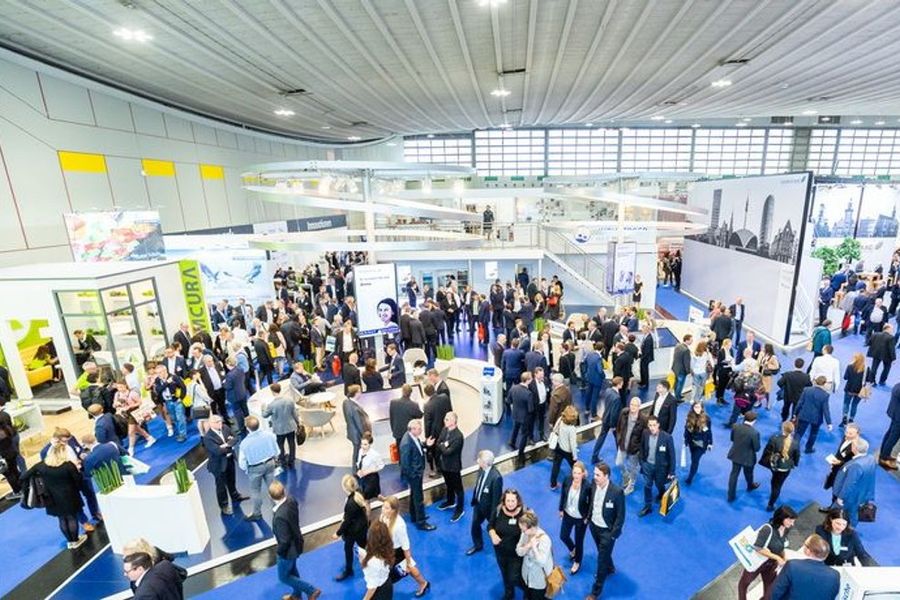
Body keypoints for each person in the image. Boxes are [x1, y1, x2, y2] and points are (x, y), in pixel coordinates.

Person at [21, 442, 87, 548]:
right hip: (70, 496)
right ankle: (76, 540)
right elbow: (78, 480)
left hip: (51, 497)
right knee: (71, 517)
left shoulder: (41, 466)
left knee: (62, 519)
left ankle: (70, 541)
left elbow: (23, 477)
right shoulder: (68, 466)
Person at [269, 481, 321, 600]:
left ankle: (311, 590)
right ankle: (297, 595)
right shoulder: (292, 501)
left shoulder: (279, 517)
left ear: (271, 497)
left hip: (287, 551)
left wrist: (279, 552)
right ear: (284, 491)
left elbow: (284, 541)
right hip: (296, 543)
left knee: (284, 577)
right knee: (292, 570)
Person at [736, 506, 798, 600]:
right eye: (790, 520)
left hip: (771, 564)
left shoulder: (786, 529)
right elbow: (758, 547)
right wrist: (777, 557)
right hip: (757, 562)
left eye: (793, 521)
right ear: (781, 517)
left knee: (770, 590)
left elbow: (781, 545)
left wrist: (783, 557)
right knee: (744, 583)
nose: (792, 524)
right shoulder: (767, 529)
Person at [584, 462, 625, 600]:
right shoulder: (594, 484)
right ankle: (610, 567)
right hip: (594, 526)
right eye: (594, 474)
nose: (594, 477)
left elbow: (620, 515)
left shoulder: (617, 492)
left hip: (607, 531)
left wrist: (613, 535)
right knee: (602, 552)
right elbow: (591, 502)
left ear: (606, 476)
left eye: (598, 475)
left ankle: (595, 592)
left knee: (601, 560)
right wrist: (588, 518)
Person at [380, 495, 431, 597]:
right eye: (383, 506)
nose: (383, 510)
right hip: (388, 549)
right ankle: (423, 583)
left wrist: (408, 562)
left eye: (386, 508)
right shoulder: (383, 517)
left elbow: (405, 546)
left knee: (410, 567)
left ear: (393, 510)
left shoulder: (399, 525)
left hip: (398, 552)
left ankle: (423, 583)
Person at [769, 534, 840, 600]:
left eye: (805, 545)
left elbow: (775, 593)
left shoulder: (792, 566)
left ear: (808, 551)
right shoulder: (835, 575)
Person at [202, 414, 247, 516]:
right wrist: (229, 445)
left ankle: (235, 496)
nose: (220, 424)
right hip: (218, 465)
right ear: (211, 424)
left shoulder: (225, 428)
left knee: (232, 480)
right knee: (221, 486)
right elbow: (217, 451)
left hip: (229, 460)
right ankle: (224, 506)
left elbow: (236, 437)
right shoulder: (208, 438)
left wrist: (226, 445)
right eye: (217, 422)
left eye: (220, 421)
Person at [237, 416, 278, 521]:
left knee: (255, 491)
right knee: (272, 487)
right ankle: (277, 508)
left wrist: (247, 469)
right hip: (270, 464)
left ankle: (257, 513)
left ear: (247, 428)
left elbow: (242, 463)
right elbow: (277, 451)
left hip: (255, 468)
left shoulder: (244, 443)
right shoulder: (269, 435)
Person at [427, 411, 465, 522]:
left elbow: (448, 452)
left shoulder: (458, 436)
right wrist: (444, 445)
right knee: (448, 485)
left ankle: (460, 510)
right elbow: (438, 442)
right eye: (445, 419)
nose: (444, 421)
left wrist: (442, 445)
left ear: (454, 421)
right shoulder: (444, 430)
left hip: (453, 467)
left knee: (458, 489)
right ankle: (450, 501)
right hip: (444, 465)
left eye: (447, 419)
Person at [399, 419, 435, 531]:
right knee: (419, 498)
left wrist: (426, 444)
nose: (421, 430)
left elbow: (418, 447)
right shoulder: (406, 443)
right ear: (413, 429)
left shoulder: (412, 437)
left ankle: (414, 515)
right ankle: (421, 522)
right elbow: (405, 464)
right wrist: (415, 475)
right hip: (414, 475)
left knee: (414, 495)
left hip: (416, 473)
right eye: (419, 429)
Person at [489, 489, 526, 600]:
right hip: (500, 552)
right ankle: (509, 594)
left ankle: (530, 592)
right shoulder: (498, 510)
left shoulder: (524, 513)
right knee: (505, 574)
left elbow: (532, 531)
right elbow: (490, 525)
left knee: (514, 577)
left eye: (513, 501)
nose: (510, 504)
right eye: (508, 501)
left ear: (518, 501)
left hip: (516, 555)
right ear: (504, 501)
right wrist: (493, 534)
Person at [832, 437, 876, 526]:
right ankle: (850, 529)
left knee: (836, 513)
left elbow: (849, 484)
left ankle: (842, 529)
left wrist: (841, 498)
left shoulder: (856, 465)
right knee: (853, 514)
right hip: (861, 494)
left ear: (855, 448)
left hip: (850, 497)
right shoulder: (870, 458)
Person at [333, 474, 370, 582]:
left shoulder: (350, 503)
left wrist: (338, 533)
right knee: (364, 545)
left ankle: (349, 570)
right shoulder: (358, 494)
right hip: (362, 527)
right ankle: (373, 561)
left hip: (353, 531)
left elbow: (347, 521)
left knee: (348, 548)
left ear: (345, 487)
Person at [637, 415, 676, 517]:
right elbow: (642, 447)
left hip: (661, 468)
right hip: (647, 466)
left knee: (659, 484)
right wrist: (642, 461)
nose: (652, 428)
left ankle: (661, 493)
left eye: (654, 425)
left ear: (658, 425)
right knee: (647, 485)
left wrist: (671, 471)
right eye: (650, 425)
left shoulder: (667, 437)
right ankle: (648, 506)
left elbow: (672, 456)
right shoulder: (645, 433)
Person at [467, 450, 503, 556]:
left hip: (489, 509)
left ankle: (501, 545)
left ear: (485, 463)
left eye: (479, 459)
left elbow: (496, 500)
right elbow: (479, 485)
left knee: (496, 528)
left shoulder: (496, 478)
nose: (477, 460)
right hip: (478, 505)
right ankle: (478, 545)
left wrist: (493, 516)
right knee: (475, 525)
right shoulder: (481, 469)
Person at [557, 461, 590, 575]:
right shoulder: (567, 480)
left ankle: (577, 561)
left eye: (578, 473)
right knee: (563, 536)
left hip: (580, 518)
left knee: (579, 541)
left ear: (583, 474)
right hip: (567, 514)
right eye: (574, 472)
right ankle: (573, 550)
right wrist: (561, 509)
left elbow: (591, 503)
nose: (576, 475)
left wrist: (587, 517)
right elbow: (563, 495)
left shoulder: (587, 486)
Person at [761, 421, 801, 511]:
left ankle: (773, 489)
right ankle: (770, 505)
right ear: (792, 431)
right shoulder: (795, 443)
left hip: (774, 466)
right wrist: (795, 463)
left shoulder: (774, 439)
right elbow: (797, 456)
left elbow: (767, 450)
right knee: (778, 486)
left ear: (783, 428)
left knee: (774, 481)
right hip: (786, 468)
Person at [515, 510, 553, 600]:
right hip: (526, 574)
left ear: (532, 528)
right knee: (527, 595)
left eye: (523, 530)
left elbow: (542, 562)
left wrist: (534, 548)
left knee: (537, 597)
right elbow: (518, 551)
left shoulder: (545, 540)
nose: (522, 531)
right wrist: (528, 546)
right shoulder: (525, 534)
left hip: (539, 578)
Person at [261, 383, 299, 468]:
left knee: (280, 445)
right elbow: (295, 414)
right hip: (290, 426)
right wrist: (298, 423)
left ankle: (282, 460)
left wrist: (263, 408)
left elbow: (264, 415)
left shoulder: (271, 405)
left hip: (279, 429)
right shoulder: (290, 400)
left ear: (272, 391)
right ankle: (292, 459)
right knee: (292, 443)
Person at [727, 411, 761, 503]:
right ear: (754, 421)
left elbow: (732, 439)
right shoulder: (754, 433)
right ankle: (750, 486)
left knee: (734, 474)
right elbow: (757, 448)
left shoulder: (735, 426)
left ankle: (730, 496)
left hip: (736, 454)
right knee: (749, 473)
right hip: (748, 458)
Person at [615, 397, 646, 494]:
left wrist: (639, 448)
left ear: (639, 407)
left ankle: (631, 485)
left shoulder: (643, 420)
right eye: (632, 404)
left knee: (633, 468)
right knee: (618, 463)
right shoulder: (624, 413)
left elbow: (644, 436)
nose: (633, 407)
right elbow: (618, 426)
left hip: (634, 449)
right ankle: (626, 475)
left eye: (635, 405)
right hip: (622, 445)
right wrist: (619, 438)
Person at [795, 376, 833, 453]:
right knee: (813, 434)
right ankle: (808, 448)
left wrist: (795, 413)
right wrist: (829, 423)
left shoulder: (806, 390)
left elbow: (800, 403)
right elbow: (826, 410)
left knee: (799, 433)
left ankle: (794, 448)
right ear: (824, 384)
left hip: (804, 415)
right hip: (816, 418)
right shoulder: (825, 395)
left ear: (815, 381)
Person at [359, 521, 394, 600]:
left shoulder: (373, 562)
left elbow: (372, 587)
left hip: (379, 592)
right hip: (386, 583)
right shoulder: (387, 548)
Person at [153, 364, 188, 442]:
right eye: (157, 373)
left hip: (176, 400)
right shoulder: (158, 380)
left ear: (165, 371)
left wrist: (181, 398)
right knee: (174, 418)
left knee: (180, 417)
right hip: (167, 401)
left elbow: (183, 387)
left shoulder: (174, 377)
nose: (158, 375)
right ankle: (180, 430)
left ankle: (182, 434)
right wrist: (166, 383)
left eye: (160, 372)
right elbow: (158, 390)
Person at [508, 372, 536, 463]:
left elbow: (508, 400)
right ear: (527, 380)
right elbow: (531, 409)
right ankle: (521, 454)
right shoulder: (528, 393)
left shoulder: (513, 388)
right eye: (531, 378)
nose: (532, 380)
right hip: (525, 417)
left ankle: (512, 442)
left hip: (515, 414)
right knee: (524, 435)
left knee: (515, 428)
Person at [683, 402, 713, 485]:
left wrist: (710, 443)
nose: (697, 409)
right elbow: (686, 430)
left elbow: (709, 431)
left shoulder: (707, 419)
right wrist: (685, 440)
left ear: (702, 408)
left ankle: (690, 477)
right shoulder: (689, 417)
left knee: (695, 460)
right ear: (693, 408)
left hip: (701, 443)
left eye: (699, 407)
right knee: (693, 458)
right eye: (695, 407)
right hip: (691, 442)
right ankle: (694, 470)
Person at [342, 384, 371, 468]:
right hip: (357, 435)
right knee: (357, 452)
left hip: (351, 432)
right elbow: (359, 423)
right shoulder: (354, 408)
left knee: (357, 452)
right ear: (356, 393)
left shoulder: (346, 402)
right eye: (360, 391)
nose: (361, 393)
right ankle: (355, 469)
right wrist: (365, 436)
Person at [776, 358, 812, 423]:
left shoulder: (787, 374)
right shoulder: (806, 377)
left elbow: (779, 383)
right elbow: (809, 386)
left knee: (785, 407)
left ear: (794, 364)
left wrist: (785, 387)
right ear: (803, 365)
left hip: (787, 395)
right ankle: (793, 420)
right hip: (798, 397)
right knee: (795, 410)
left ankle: (784, 419)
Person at [389, 384, 423, 449]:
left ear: (402, 391)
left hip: (398, 433)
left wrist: (394, 430)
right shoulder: (414, 404)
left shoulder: (393, 402)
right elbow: (420, 415)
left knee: (400, 452)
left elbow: (391, 418)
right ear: (411, 393)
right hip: (410, 434)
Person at [356, 431, 385, 500]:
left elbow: (381, 465)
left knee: (368, 497)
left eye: (365, 444)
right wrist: (359, 470)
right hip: (363, 477)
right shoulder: (360, 451)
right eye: (361, 444)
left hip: (371, 478)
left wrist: (369, 471)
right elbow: (359, 462)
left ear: (370, 444)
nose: (362, 446)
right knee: (365, 496)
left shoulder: (374, 454)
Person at [879, 381, 900, 471]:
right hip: (898, 417)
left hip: (895, 414)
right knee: (893, 438)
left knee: (889, 434)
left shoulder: (897, 385)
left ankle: (884, 454)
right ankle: (884, 458)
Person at [842, 352, 867, 426]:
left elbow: (845, 377)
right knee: (854, 405)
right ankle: (851, 419)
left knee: (846, 403)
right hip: (859, 391)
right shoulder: (866, 368)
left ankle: (844, 417)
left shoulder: (850, 366)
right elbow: (869, 379)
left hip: (849, 389)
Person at [583, 342, 606, 419]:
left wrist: (586, 373)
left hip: (589, 377)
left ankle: (587, 409)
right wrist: (603, 376)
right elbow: (600, 370)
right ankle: (594, 414)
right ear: (602, 349)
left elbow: (585, 363)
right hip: (597, 380)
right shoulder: (598, 358)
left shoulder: (589, 354)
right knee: (594, 397)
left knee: (588, 393)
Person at [689, 340, 713, 404]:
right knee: (701, 386)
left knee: (694, 386)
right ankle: (698, 399)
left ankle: (692, 399)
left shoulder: (694, 354)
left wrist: (692, 370)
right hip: (703, 372)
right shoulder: (706, 354)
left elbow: (691, 364)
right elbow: (711, 362)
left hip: (695, 372)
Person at [671, 334, 692, 400]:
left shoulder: (677, 346)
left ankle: (677, 395)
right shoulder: (686, 350)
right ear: (687, 340)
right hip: (682, 370)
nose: (692, 342)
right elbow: (686, 363)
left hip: (675, 368)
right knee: (680, 384)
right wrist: (688, 371)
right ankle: (677, 398)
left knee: (676, 383)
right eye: (691, 340)